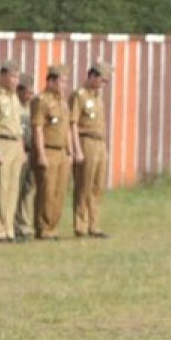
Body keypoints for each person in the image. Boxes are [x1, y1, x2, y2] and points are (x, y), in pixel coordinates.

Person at [31, 64, 73, 241]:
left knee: (59, 191)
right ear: (52, 81)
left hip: (62, 152)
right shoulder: (42, 101)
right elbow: (38, 129)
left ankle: (53, 226)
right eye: (62, 81)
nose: (64, 85)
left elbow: (67, 129)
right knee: (46, 191)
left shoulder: (63, 102)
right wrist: (40, 154)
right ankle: (43, 227)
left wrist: (70, 151)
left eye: (65, 81)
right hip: (48, 150)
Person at [71, 61, 112, 238]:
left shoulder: (97, 98)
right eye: (101, 80)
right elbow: (72, 124)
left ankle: (93, 224)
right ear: (92, 76)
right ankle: (81, 224)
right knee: (84, 185)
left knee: (98, 185)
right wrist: (77, 149)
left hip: (99, 143)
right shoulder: (79, 96)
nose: (102, 85)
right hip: (85, 141)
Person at [0, 60, 24, 243]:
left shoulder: (14, 97)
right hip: (2, 142)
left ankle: (9, 229)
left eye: (17, 76)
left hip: (15, 143)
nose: (16, 80)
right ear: (3, 76)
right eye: (13, 76)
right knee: (0, 188)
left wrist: (22, 149)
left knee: (13, 189)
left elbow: (18, 125)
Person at [14, 73, 36, 242]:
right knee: (16, 189)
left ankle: (25, 224)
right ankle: (13, 225)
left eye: (31, 92)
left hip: (30, 152)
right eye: (27, 92)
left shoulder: (31, 107)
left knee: (28, 190)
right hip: (17, 152)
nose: (29, 96)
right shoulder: (14, 106)